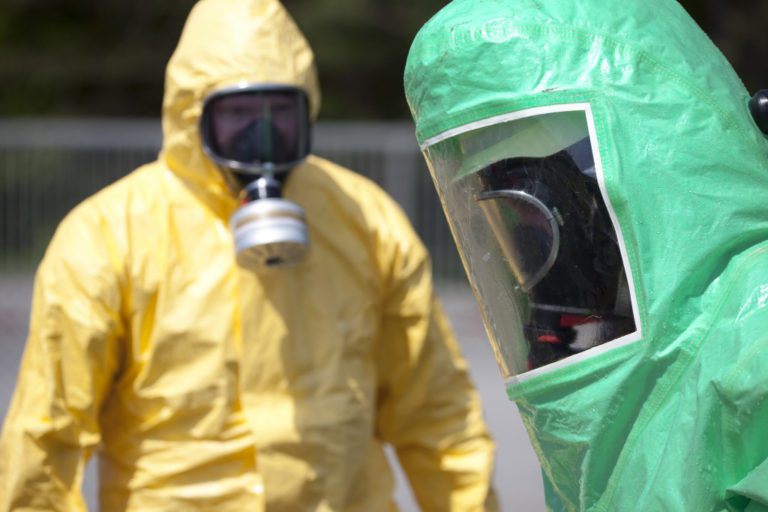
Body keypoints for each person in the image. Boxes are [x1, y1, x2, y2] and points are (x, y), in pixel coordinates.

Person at [0, 0, 499, 510]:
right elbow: (47, 435)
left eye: (279, 113)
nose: (260, 135)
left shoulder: (365, 222)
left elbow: (437, 415)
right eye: (237, 113)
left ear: (306, 112)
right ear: (192, 115)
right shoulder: (108, 235)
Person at [404, 0, 768, 510]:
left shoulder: (753, 344)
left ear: (646, 182)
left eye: (549, 221)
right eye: (514, 233)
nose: (538, 271)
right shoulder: (629, 375)